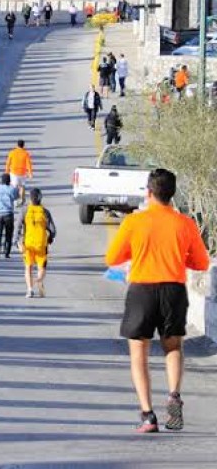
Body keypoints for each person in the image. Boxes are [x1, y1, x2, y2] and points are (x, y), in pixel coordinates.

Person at [104, 169, 209, 433]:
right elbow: (201, 262)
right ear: (172, 194)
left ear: (148, 193)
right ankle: (173, 394)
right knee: (173, 347)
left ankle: (148, 415)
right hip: (173, 290)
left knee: (138, 352)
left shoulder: (134, 222)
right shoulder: (185, 223)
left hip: (142, 290)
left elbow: (112, 258)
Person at [15, 188, 57, 298]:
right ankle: (38, 280)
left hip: (28, 244)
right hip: (41, 244)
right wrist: (50, 238)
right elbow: (53, 230)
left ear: (30, 198)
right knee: (41, 268)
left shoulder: (24, 211)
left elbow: (18, 227)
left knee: (28, 267)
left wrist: (17, 242)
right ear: (40, 198)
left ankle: (29, 290)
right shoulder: (45, 212)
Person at [4, 139, 33, 205]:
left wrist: (7, 171)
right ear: (23, 145)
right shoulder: (26, 153)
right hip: (23, 172)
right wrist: (30, 173)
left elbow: (8, 162)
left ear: (17, 145)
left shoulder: (12, 152)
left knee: (14, 186)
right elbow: (29, 164)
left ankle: (15, 200)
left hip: (14, 172)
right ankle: (22, 199)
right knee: (22, 186)